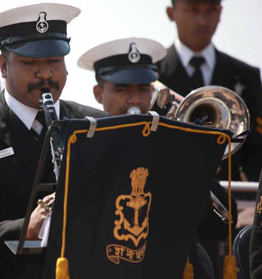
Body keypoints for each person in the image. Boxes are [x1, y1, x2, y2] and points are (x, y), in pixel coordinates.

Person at [0, 3, 107, 279]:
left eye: (54, 61)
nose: (45, 74)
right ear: (4, 66)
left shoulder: (97, 125)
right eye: (30, 63)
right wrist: (25, 229)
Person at [79, 37, 238, 279]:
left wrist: (190, 155)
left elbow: (222, 225)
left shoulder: (174, 145)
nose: (134, 100)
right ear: (98, 93)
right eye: (122, 89)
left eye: (143, 89)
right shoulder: (85, 146)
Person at [155, 0, 262, 183]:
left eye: (211, 10)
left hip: (231, 202)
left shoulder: (245, 76)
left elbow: (256, 150)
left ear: (221, 13)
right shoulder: (153, 75)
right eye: (193, 10)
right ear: (171, 13)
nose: (203, 21)